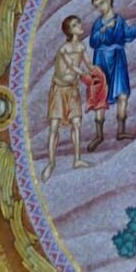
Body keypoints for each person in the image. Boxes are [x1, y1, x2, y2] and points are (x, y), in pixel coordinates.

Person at [87, 0, 136, 151]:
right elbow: (93, 42)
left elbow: (128, 35)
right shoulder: (98, 23)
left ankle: (121, 131)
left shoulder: (119, 20)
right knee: (101, 95)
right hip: (101, 60)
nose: (100, 8)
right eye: (96, 6)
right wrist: (103, 29)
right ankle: (99, 135)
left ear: (109, 1)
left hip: (117, 59)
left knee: (122, 94)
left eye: (101, 3)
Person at [42, 16, 94, 181]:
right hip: (59, 90)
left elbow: (89, 65)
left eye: (78, 23)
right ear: (70, 31)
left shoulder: (81, 47)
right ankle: (51, 163)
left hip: (72, 90)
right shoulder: (64, 49)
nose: (79, 26)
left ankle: (77, 159)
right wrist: (82, 73)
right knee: (54, 127)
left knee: (76, 124)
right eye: (75, 25)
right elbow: (72, 66)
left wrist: (98, 72)